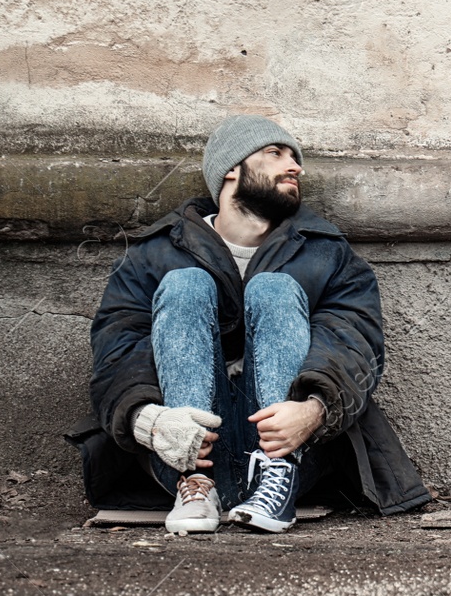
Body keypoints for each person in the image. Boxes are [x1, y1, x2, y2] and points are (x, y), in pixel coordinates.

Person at [70, 115, 431, 533]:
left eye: (296, 158)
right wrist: (148, 421)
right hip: (184, 453)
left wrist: (314, 410)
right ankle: (196, 484)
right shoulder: (153, 253)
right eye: (275, 154)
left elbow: (355, 341)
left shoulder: (327, 253)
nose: (294, 166)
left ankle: (276, 477)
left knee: (274, 290)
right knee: (185, 284)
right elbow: (116, 347)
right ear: (231, 168)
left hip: (294, 450)